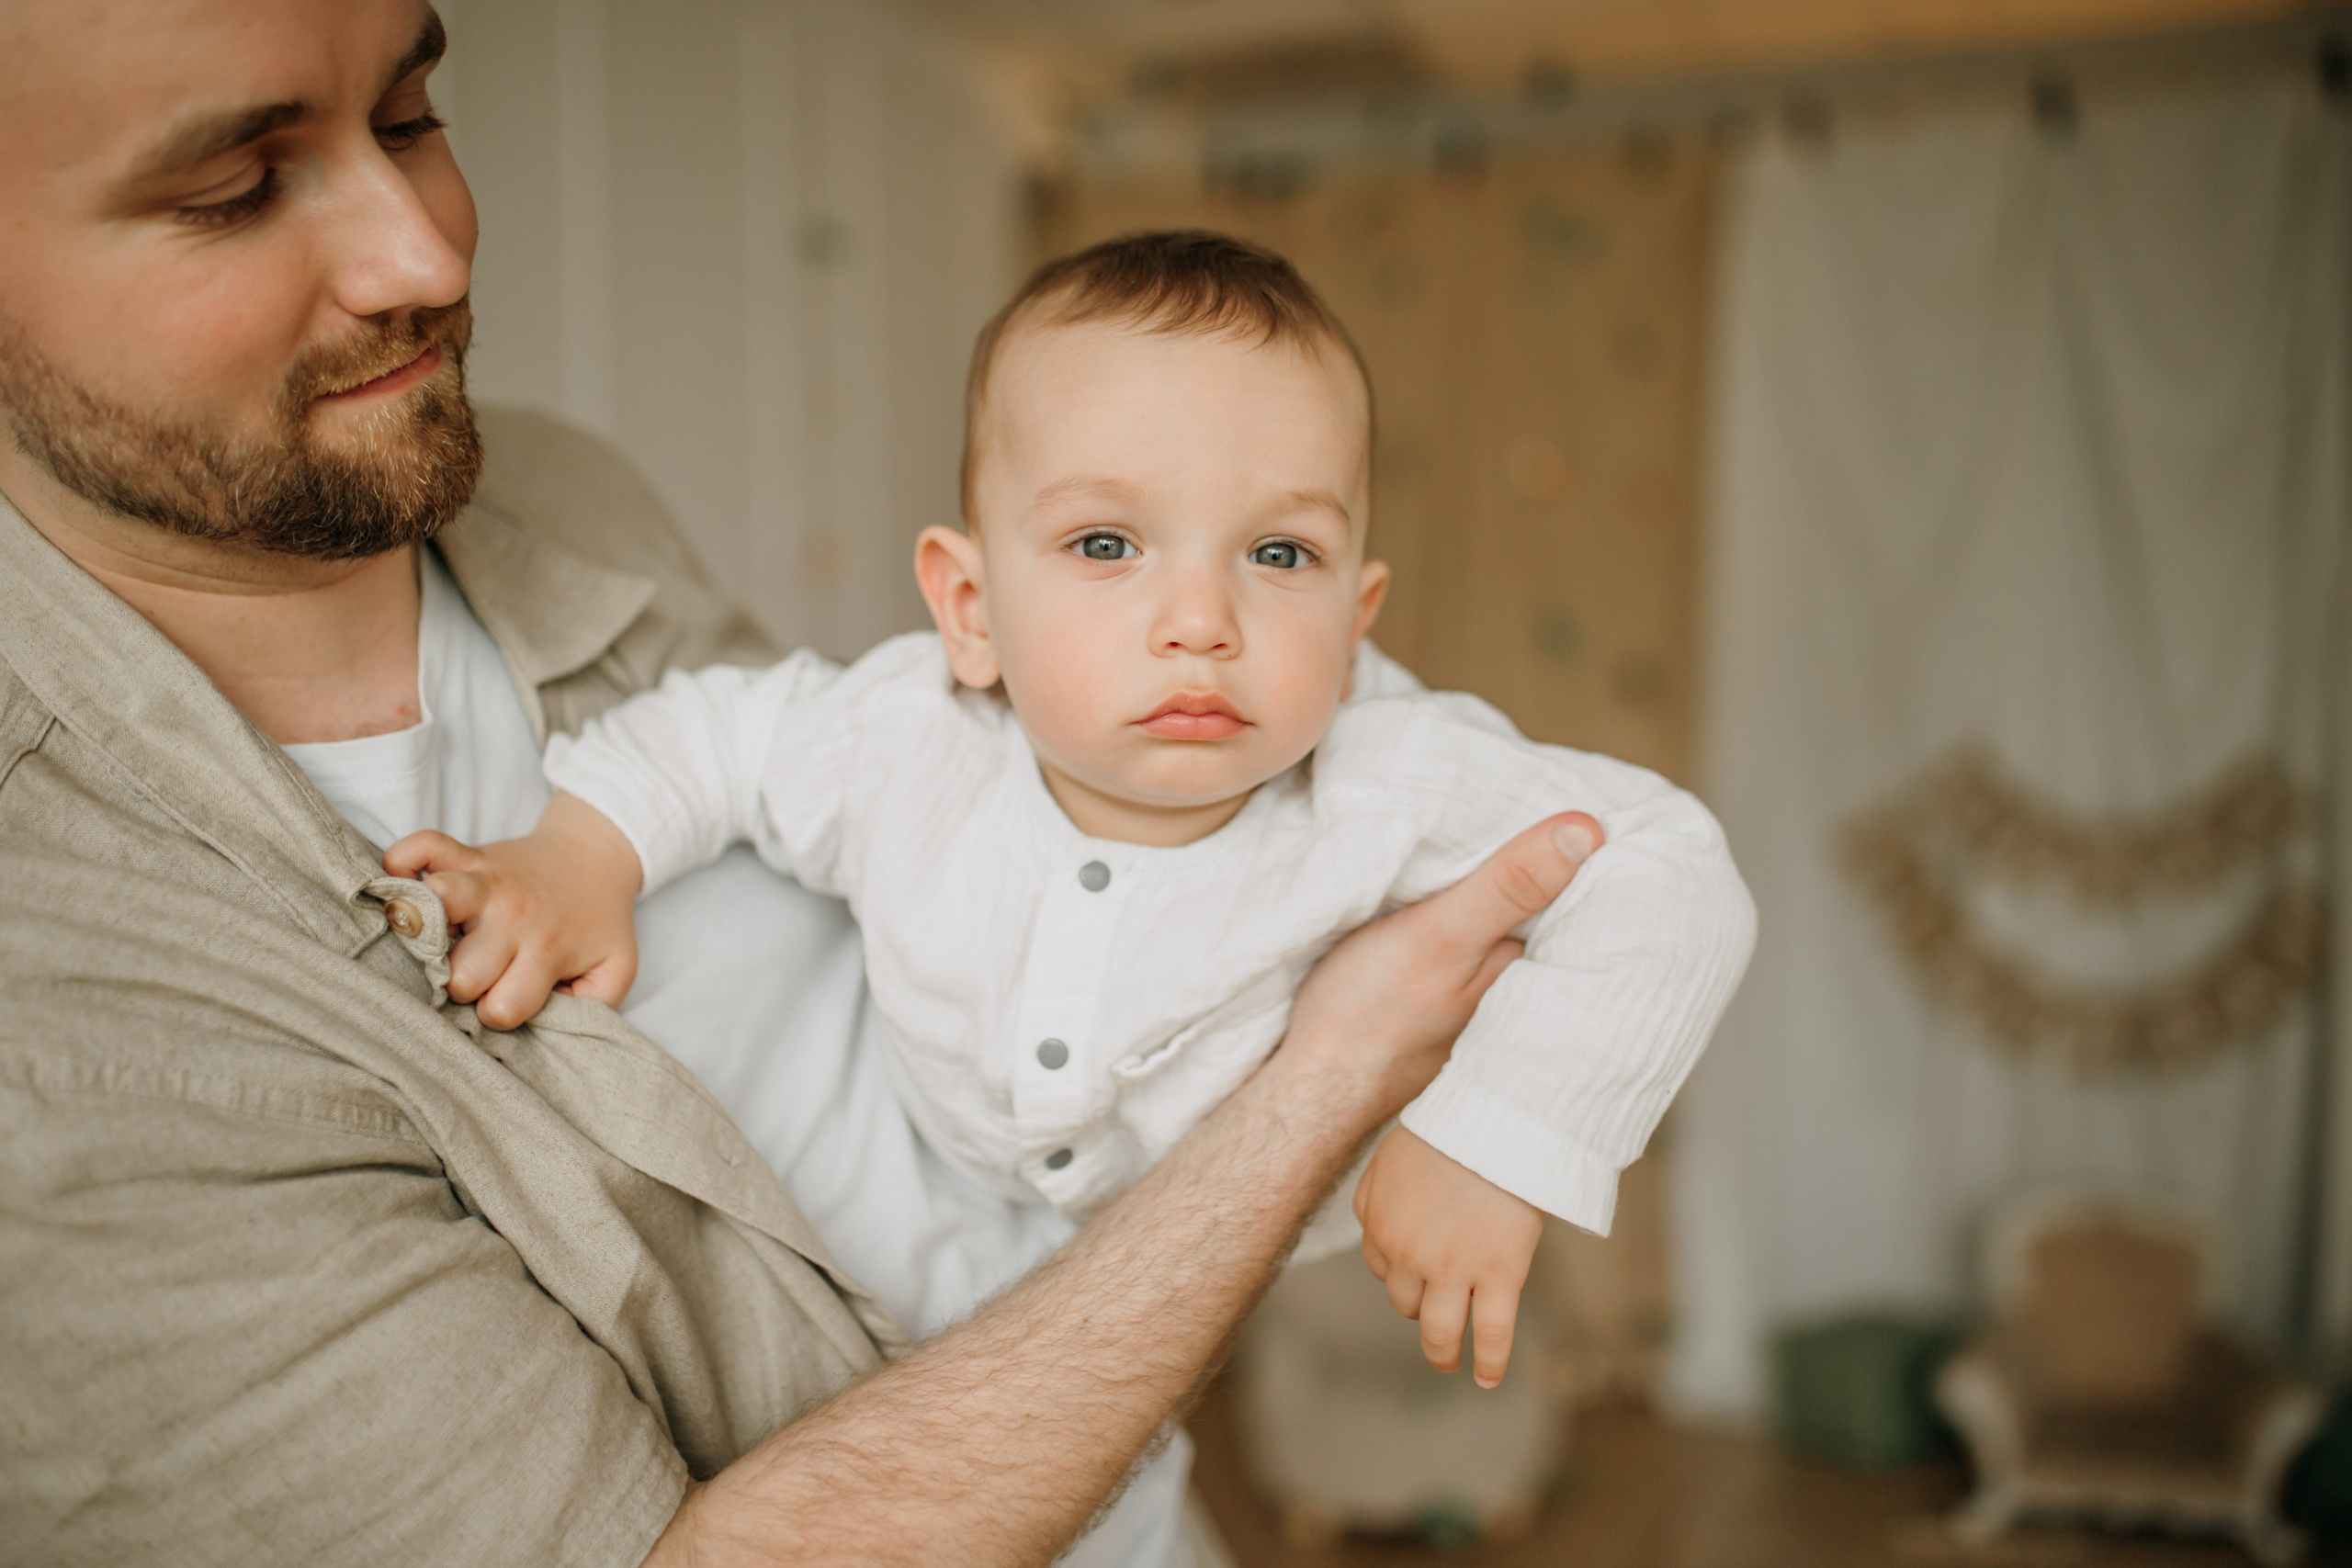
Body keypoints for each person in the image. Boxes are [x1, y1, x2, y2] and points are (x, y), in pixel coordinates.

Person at [0, 2, 1610, 1564]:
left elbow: (826, 794)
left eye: (412, 117)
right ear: (964, 596)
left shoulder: (566, 500)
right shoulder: (59, 1037)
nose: (424, 256)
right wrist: (1327, 1081)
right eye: (235, 188)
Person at [392, 232, 1757, 1391]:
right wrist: (578, 856)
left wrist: (1497, 1140)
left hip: (1224, 1251)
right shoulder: (908, 736)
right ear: (971, 608)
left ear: (1355, 623)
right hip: (925, 1201)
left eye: (1281, 552)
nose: (1202, 620)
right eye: (1108, 543)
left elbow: (1666, 866)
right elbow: (721, 732)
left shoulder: (1390, 775)